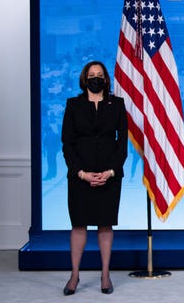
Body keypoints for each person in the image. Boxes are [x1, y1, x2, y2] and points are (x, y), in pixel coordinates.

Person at [61, 61, 128, 296]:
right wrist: (81, 173)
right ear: (84, 79)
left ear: (106, 79)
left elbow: (122, 143)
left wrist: (111, 172)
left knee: (105, 224)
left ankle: (105, 274)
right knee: (79, 224)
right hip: (80, 175)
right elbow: (67, 143)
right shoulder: (73, 105)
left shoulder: (117, 104)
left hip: (109, 175)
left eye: (100, 75)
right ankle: (74, 275)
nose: (96, 78)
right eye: (92, 75)